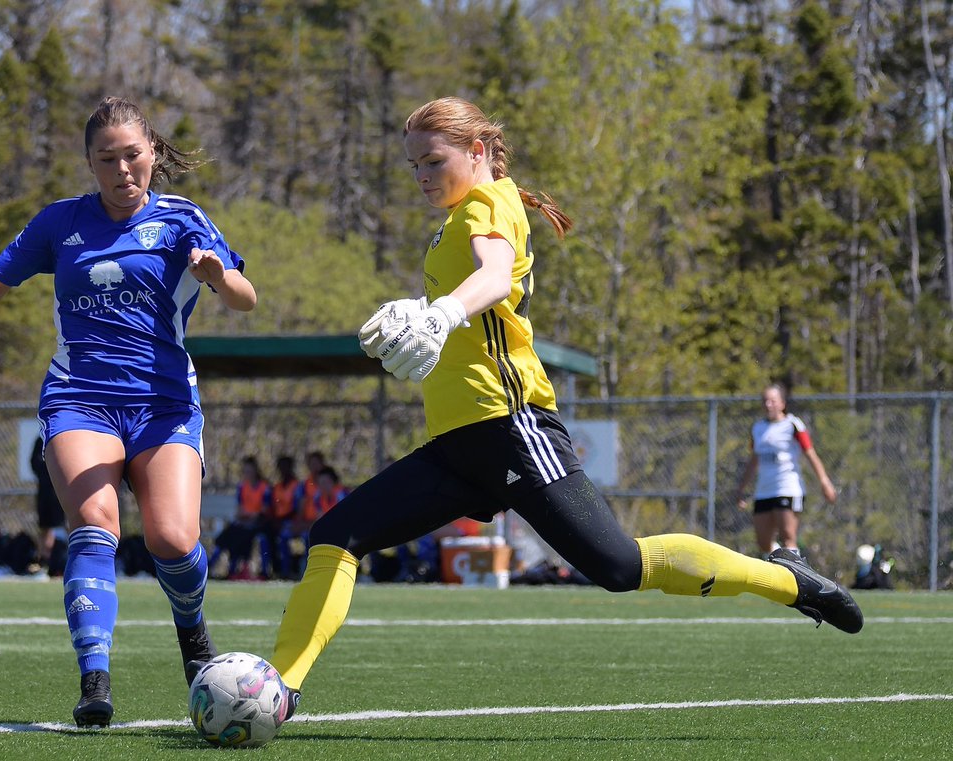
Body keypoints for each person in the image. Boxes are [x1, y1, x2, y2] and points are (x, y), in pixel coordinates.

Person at [259, 97, 862, 720]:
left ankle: (789, 578)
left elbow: (495, 276)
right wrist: (421, 307)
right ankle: (279, 690)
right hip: (460, 444)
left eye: (433, 160)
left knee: (619, 565)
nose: (421, 176)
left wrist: (438, 313)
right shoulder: (458, 216)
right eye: (413, 165)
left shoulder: (490, 202)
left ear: (478, 152)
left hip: (510, 427)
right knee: (336, 535)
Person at [0, 96, 257, 728]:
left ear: (152, 155)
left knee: (172, 539)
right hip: (79, 399)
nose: (122, 170)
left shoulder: (183, 220)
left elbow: (244, 298)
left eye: (132, 156)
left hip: (164, 403)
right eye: (106, 159)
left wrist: (214, 274)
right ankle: (95, 678)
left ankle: (193, 635)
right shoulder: (60, 222)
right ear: (90, 164)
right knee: (95, 525)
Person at [736, 383, 837, 558]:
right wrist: (742, 488)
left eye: (773, 401)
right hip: (764, 491)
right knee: (763, 542)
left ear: (782, 403)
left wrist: (824, 481)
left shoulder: (793, 424)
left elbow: (810, 453)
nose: (768, 405)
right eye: (765, 401)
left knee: (788, 537)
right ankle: (778, 568)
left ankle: (796, 578)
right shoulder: (758, 428)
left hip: (787, 488)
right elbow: (754, 459)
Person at [209, 456, 272, 580]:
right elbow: (240, 509)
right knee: (224, 537)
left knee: (245, 536)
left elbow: (264, 510)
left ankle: (243, 570)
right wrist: (245, 516)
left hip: (258, 523)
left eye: (249, 471)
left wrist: (251, 516)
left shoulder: (264, 487)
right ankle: (210, 567)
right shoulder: (242, 487)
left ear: (255, 471)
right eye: (245, 471)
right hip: (244, 522)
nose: (247, 474)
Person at [29, 435, 67, 571]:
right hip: (44, 492)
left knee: (59, 526)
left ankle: (60, 559)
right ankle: (43, 561)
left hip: (60, 491)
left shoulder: (64, 440)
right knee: (44, 526)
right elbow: (34, 464)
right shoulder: (40, 441)